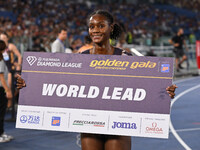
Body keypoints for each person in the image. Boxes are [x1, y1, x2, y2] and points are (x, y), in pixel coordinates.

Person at [17, 10, 177, 150]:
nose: (95, 30)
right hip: (89, 125)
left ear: (111, 28)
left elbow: (143, 89)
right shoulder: (80, 59)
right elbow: (58, 87)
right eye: (92, 26)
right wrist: (28, 86)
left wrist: (163, 91)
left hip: (118, 125)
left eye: (101, 26)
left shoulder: (125, 58)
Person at [0, 40, 13, 143]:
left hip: (1, 89)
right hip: (1, 89)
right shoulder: (0, 61)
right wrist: (7, 90)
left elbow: (8, 61)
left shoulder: (3, 59)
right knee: (1, 113)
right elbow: (1, 78)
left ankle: (2, 132)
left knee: (2, 113)